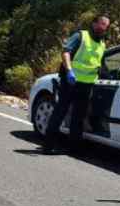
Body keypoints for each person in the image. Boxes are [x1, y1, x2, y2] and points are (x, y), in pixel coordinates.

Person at [43, 15, 111, 154]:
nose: (103, 27)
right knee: (60, 112)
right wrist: (69, 71)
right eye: (101, 24)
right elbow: (66, 52)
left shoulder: (102, 43)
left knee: (79, 116)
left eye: (105, 26)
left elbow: (100, 64)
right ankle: (48, 146)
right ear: (93, 23)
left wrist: (110, 76)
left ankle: (73, 148)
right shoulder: (81, 36)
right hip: (70, 81)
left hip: (87, 85)